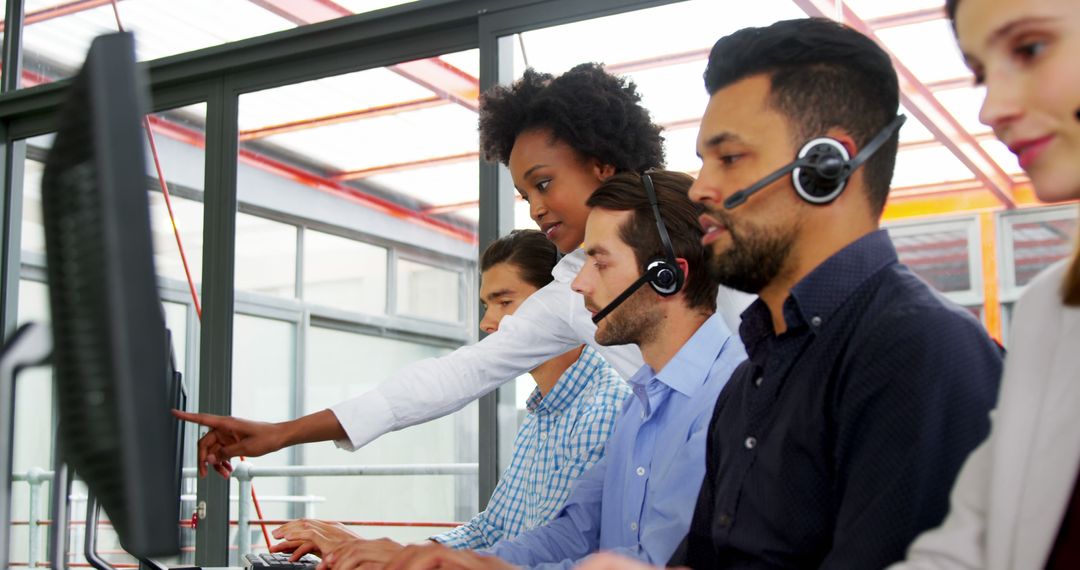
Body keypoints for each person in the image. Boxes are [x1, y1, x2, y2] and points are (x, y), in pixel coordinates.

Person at [173, 63, 753, 479]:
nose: (536, 209)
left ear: (602, 165)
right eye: (525, 194)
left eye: (544, 183)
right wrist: (285, 432)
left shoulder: (711, 236)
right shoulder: (568, 289)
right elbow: (452, 378)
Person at [580, 18, 1005, 570]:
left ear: (826, 167)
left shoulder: (919, 352)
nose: (702, 188)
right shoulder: (749, 381)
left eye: (729, 158)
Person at [316, 170, 746, 570]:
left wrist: (461, 565)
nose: (578, 285)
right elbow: (576, 532)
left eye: (599, 262)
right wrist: (435, 559)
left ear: (666, 276)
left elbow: (653, 561)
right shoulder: (641, 405)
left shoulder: (731, 399)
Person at [269, 230, 630, 560]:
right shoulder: (541, 414)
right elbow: (491, 528)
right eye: (487, 306)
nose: (487, 323)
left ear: (559, 302)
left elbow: (544, 548)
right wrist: (383, 554)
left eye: (504, 302)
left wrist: (387, 556)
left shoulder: (604, 409)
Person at [890, 0, 1080, 568]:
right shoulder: (1053, 308)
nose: (992, 108)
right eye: (981, 73)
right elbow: (965, 550)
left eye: (1030, 48)